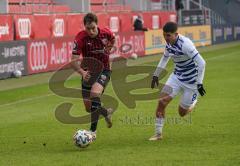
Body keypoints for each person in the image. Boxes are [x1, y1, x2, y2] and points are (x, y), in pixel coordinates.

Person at [149, 22, 206, 141]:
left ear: (176, 34)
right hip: (176, 77)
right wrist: (156, 75)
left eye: (168, 35)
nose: (166, 38)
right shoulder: (169, 44)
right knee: (162, 101)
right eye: (164, 35)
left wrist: (199, 83)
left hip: (191, 83)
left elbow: (202, 63)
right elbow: (165, 58)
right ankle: (158, 134)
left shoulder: (186, 45)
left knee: (182, 113)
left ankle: (193, 103)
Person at [71, 13, 116, 140]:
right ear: (84, 26)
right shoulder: (80, 38)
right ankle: (106, 113)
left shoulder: (106, 33)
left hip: (104, 70)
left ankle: (92, 132)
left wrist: (110, 47)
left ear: (97, 25)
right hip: (88, 73)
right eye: (88, 28)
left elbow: (113, 38)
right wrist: (82, 72)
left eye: (93, 28)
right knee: (89, 108)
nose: (91, 31)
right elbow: (73, 60)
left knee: (94, 95)